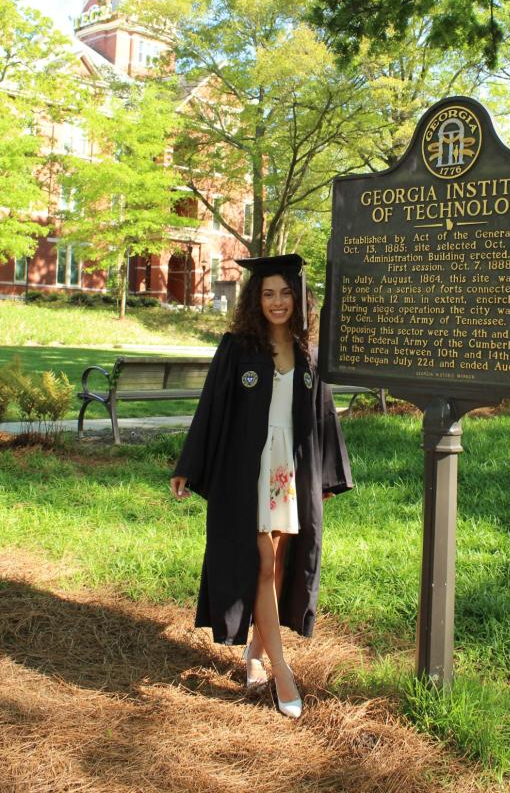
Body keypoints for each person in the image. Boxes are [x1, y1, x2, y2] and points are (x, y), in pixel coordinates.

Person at [169, 254, 353, 718]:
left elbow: (323, 415)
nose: (277, 302)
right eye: (268, 293)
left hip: (290, 466)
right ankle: (282, 672)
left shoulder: (308, 352)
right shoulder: (237, 348)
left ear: (298, 298)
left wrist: (327, 475)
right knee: (262, 561)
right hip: (247, 467)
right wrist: (188, 465)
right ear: (256, 299)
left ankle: (254, 654)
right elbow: (210, 406)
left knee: (277, 560)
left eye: (285, 293)